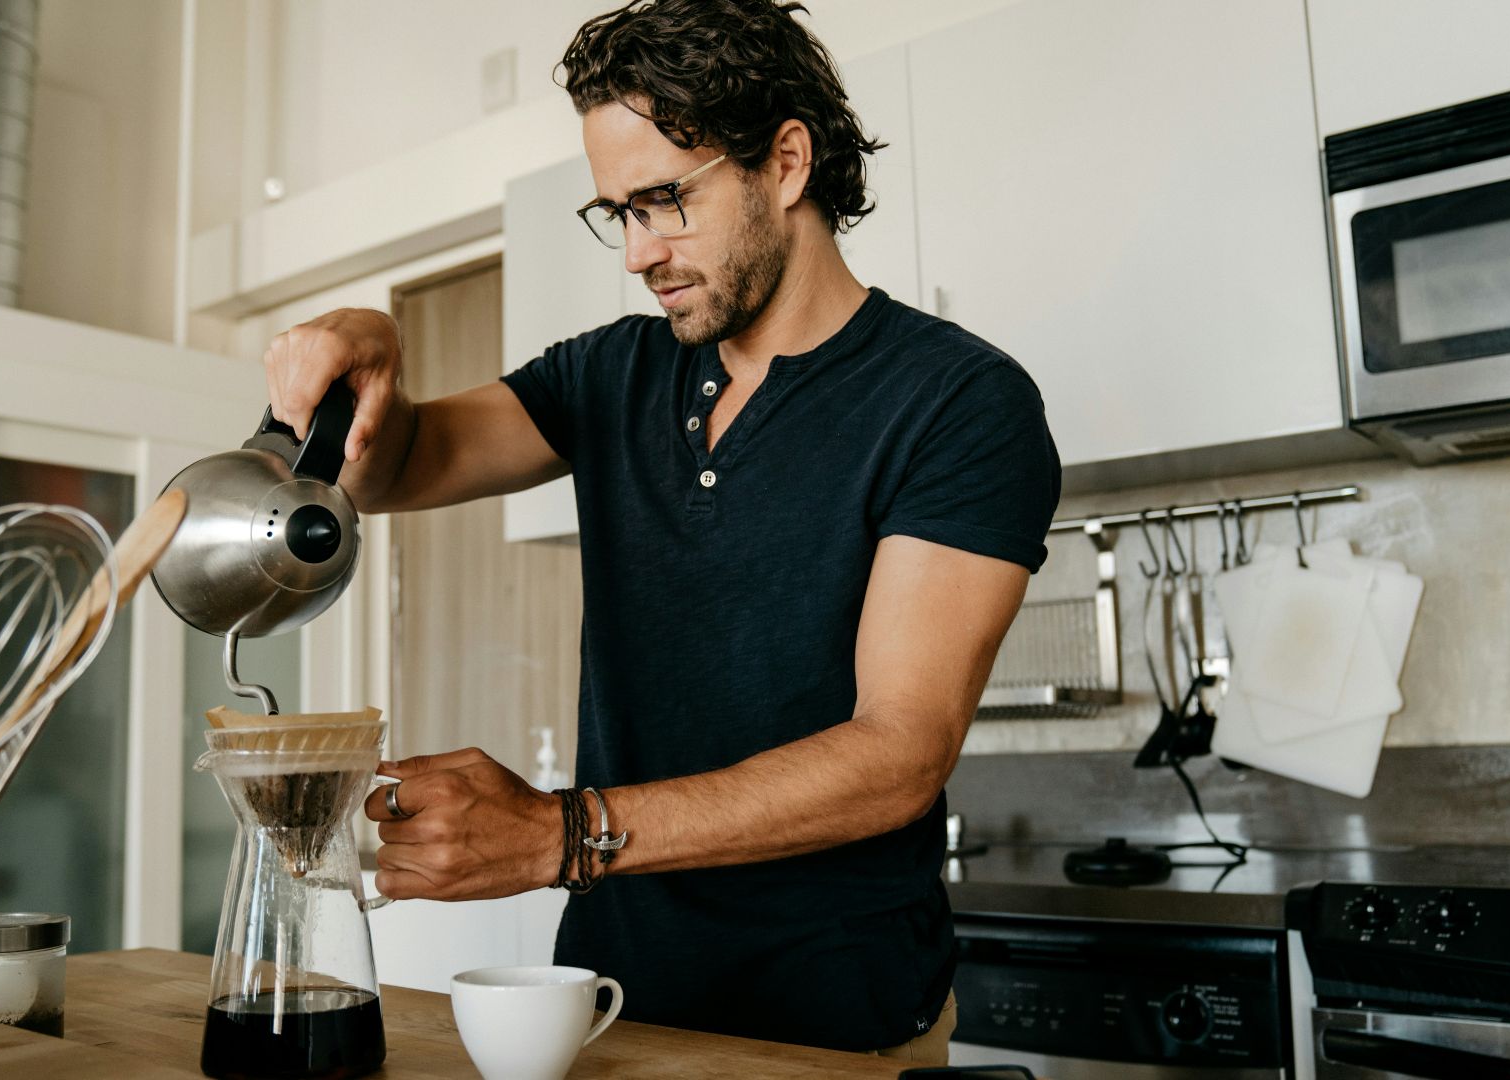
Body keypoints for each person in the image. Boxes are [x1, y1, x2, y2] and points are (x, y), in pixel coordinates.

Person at [259, 0, 1059, 1062]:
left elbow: (898, 753)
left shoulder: (957, 401)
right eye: (616, 213)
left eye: (666, 201)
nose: (639, 252)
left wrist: (562, 833)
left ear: (784, 162)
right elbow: (402, 463)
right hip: (612, 1008)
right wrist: (372, 347)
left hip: (835, 1025)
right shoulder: (615, 373)